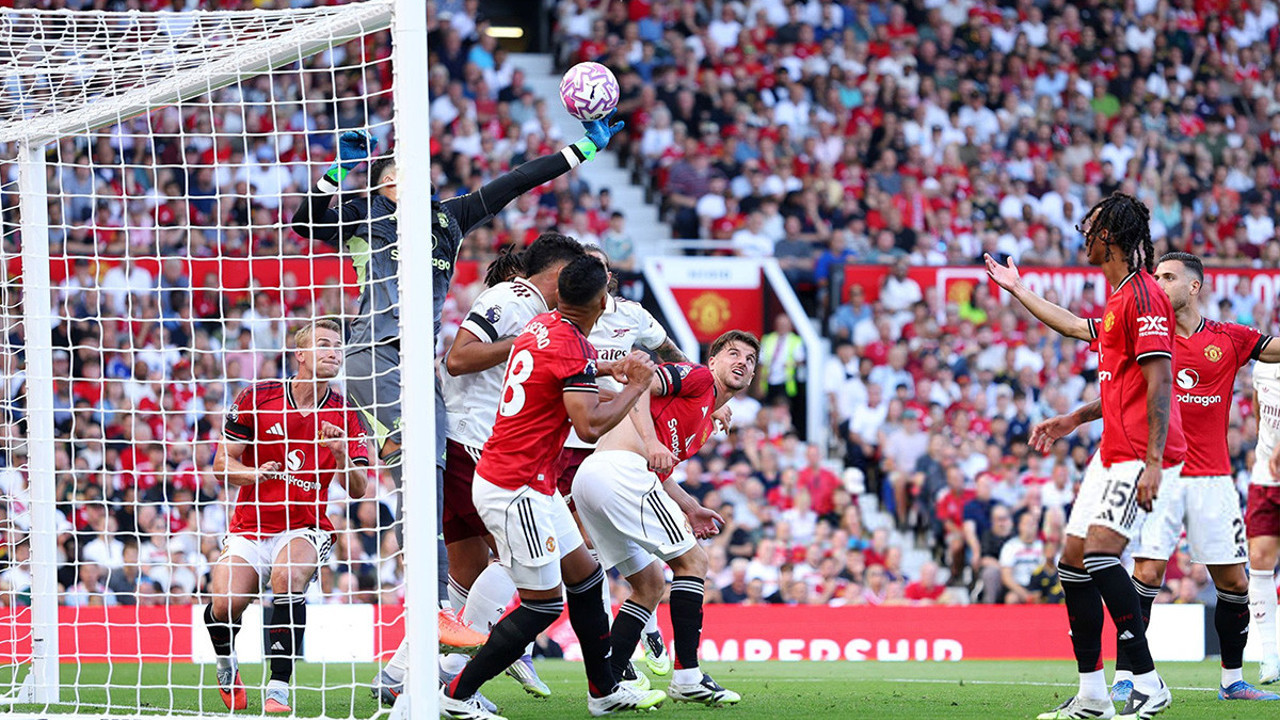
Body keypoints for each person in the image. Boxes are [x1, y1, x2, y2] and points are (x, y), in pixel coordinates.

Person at [290, 111, 625, 703]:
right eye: (394, 176)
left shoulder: (447, 218)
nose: (407, 183)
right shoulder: (367, 214)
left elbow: (515, 181)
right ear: (381, 186)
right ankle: (430, 610)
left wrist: (580, 151)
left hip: (420, 365)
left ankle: (433, 629)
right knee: (418, 474)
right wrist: (339, 169)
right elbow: (305, 221)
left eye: (412, 175)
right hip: (373, 355)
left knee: (437, 477)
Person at [995, 250, 1280, 700]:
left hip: (1213, 478)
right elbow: (1072, 326)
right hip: (1160, 468)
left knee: (1235, 582)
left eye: (1169, 277)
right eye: (1157, 275)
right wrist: (1017, 289)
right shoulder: (1142, 330)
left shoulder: (1230, 338)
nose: (1159, 284)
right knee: (1146, 573)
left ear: (1194, 286)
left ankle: (1232, 681)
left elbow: (1275, 347)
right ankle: (1129, 679)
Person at [440, 255, 666, 719]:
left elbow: (565, 369)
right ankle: (456, 695)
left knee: (586, 577)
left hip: (525, 480)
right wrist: (634, 385)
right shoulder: (571, 345)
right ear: (602, 301)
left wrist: (610, 367)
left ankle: (603, 690)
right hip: (515, 487)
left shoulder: (544, 324)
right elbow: (588, 427)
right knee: (543, 607)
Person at [987, 193, 1180, 720]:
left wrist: (1157, 461)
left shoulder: (1143, 297)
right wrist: (1020, 290)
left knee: (1097, 554)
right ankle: (1092, 695)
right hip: (1110, 451)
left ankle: (1146, 679)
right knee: (1072, 564)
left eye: (1091, 229)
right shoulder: (1119, 297)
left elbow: (1160, 379)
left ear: (1111, 238)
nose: (1084, 237)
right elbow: (1076, 328)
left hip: (1140, 452)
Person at [573, 329, 759, 706]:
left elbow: (659, 471)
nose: (742, 362)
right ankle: (688, 677)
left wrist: (690, 507)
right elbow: (641, 387)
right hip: (619, 470)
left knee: (650, 583)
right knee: (694, 562)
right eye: (733, 354)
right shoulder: (699, 377)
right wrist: (651, 440)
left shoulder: (706, 421)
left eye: (750, 360)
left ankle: (606, 689)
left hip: (593, 479)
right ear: (712, 361)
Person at [439, 232, 587, 699]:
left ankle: (405, 677)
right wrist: (523, 344)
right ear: (560, 275)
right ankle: (469, 672)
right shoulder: (515, 298)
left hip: (473, 444)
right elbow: (458, 359)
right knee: (520, 563)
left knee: (466, 576)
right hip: (478, 443)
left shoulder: (544, 315)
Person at [206, 319, 371, 713]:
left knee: (287, 576)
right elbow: (220, 464)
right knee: (225, 603)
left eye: (338, 346)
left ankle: (278, 687)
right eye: (325, 344)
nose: (335, 352)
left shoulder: (347, 411)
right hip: (251, 524)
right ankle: (226, 663)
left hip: (306, 525)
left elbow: (360, 488)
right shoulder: (258, 396)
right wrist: (253, 474)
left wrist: (340, 453)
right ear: (301, 354)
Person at [551, 245, 691, 679]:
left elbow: (671, 352)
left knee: (606, 545)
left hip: (609, 444)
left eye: (600, 266)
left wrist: (699, 390)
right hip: (562, 442)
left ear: (609, 276)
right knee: (584, 553)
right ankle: (640, 624)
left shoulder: (632, 315)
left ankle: (639, 623)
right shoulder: (559, 319)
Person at [1251, 361, 1280, 685]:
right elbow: (1259, 409)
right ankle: (1270, 655)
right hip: (1266, 479)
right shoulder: (1262, 367)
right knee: (1259, 560)